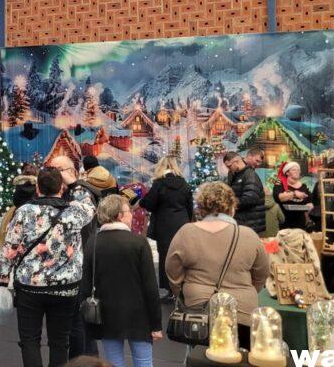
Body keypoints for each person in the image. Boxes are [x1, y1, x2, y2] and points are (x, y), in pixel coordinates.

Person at [0, 167, 95, 367]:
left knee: (29, 340)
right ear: (61, 188)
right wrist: (74, 184)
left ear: (38, 188)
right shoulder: (74, 212)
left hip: (29, 286)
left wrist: (2, 281)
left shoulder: (24, 212)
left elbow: (10, 250)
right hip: (65, 286)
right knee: (60, 342)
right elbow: (90, 204)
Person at [165, 182, 270, 348]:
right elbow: (262, 274)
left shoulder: (187, 232)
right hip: (242, 313)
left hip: (198, 313)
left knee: (199, 356)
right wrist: (245, 292)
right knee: (240, 356)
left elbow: (172, 272)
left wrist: (184, 293)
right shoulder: (248, 235)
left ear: (201, 207)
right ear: (232, 207)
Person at [81, 195, 161, 367]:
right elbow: (150, 286)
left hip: (106, 314)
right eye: (129, 211)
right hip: (139, 315)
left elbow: (86, 283)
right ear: (119, 215)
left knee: (113, 362)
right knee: (143, 361)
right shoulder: (138, 242)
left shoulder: (93, 242)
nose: (132, 215)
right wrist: (156, 324)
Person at [49, 155, 97, 358]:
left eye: (59, 169)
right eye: (51, 169)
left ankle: (83, 360)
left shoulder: (81, 193)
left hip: (79, 264)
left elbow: (86, 211)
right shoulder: (57, 194)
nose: (54, 173)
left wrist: (74, 184)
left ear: (71, 171)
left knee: (79, 321)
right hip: (60, 269)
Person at [139, 155, 192, 301]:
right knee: (183, 256)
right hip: (182, 224)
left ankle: (170, 290)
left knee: (166, 257)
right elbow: (189, 207)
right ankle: (184, 288)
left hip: (164, 225)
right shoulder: (184, 184)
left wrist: (142, 201)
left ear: (161, 166)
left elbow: (150, 204)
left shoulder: (159, 184)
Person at [222, 151, 266, 234]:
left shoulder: (250, 175)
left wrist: (230, 202)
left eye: (229, 166)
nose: (228, 169)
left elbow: (251, 198)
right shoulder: (235, 174)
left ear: (236, 162)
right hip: (244, 222)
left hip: (251, 225)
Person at [273, 161, 312, 230]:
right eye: (294, 170)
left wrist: (310, 205)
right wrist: (294, 194)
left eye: (298, 170)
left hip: (300, 223)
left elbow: (310, 200)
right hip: (284, 222)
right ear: (287, 173)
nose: (297, 172)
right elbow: (279, 197)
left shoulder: (304, 186)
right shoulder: (280, 184)